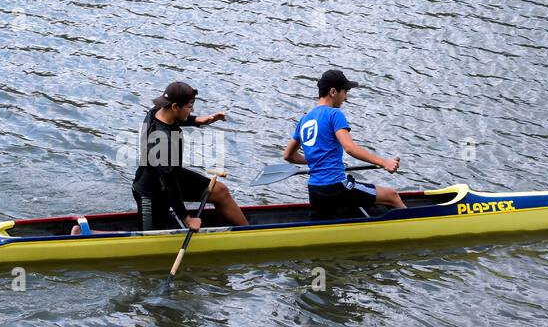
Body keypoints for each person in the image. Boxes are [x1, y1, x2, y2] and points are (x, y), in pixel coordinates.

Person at [280, 69, 405, 221]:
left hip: (315, 190)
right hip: (336, 187)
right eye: (345, 91)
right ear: (333, 92)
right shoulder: (334, 114)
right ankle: (415, 227)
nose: (346, 97)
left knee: (322, 223)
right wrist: (384, 162)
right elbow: (349, 147)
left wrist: (316, 159)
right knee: (391, 195)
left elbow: (288, 155)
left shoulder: (304, 119)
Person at [132, 81, 249, 231]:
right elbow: (170, 185)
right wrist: (187, 219)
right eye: (189, 107)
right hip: (151, 193)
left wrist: (197, 120)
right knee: (147, 242)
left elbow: (176, 118)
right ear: (174, 106)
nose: (192, 109)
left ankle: (246, 232)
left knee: (220, 192)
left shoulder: (157, 111)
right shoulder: (162, 141)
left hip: (170, 174)